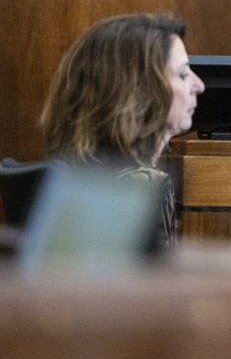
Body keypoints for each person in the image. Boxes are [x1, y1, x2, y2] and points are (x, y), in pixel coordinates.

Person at [40, 13, 205, 247]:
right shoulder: (139, 191)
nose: (199, 85)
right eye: (183, 74)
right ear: (139, 91)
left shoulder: (77, 188)